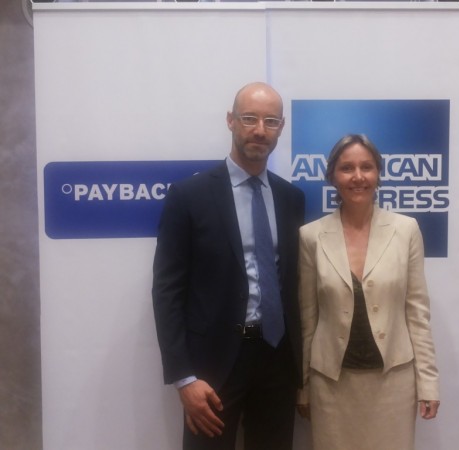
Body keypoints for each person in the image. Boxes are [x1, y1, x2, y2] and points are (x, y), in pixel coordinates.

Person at [152, 82, 305, 450]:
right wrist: (184, 377)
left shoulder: (291, 198)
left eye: (270, 121)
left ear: (281, 127)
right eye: (249, 118)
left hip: (277, 359)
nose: (259, 130)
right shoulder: (188, 196)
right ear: (230, 121)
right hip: (213, 365)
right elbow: (167, 290)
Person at [296, 134, 440, 450]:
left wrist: (428, 383)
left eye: (367, 167)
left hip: (393, 384)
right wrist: (303, 387)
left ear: (378, 173)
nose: (358, 176)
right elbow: (308, 320)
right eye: (347, 168)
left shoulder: (406, 230)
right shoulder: (311, 237)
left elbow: (417, 313)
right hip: (331, 386)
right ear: (333, 176)